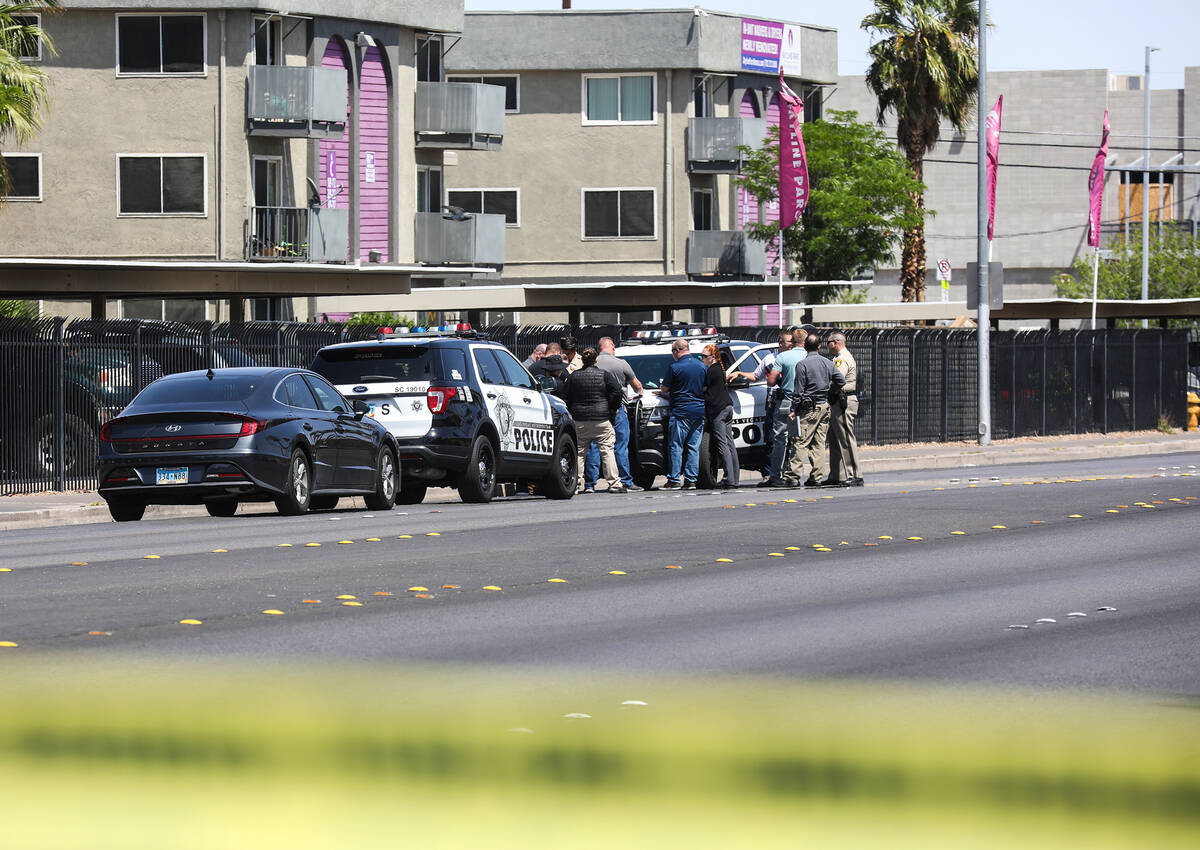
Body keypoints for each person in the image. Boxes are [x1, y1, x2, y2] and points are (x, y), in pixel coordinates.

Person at [583, 336, 645, 492]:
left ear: (599, 348)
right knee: (620, 447)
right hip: (618, 411)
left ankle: (590, 484)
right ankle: (625, 480)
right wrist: (639, 392)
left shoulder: (592, 364)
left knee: (594, 447)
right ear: (612, 347)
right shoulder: (621, 364)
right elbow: (637, 385)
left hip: (597, 411)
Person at [562, 347, 624, 494]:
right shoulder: (604, 375)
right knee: (607, 451)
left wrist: (572, 409)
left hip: (579, 419)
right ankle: (614, 483)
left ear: (582, 360)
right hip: (601, 418)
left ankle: (575, 484)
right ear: (596, 360)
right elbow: (617, 392)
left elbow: (565, 396)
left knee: (579, 453)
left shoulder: (574, 376)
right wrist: (611, 409)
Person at [733, 329, 792, 477]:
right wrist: (740, 373)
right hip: (772, 402)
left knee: (790, 439)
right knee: (771, 439)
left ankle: (787, 471)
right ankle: (769, 473)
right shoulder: (769, 359)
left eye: (792, 342)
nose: (791, 344)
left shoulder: (793, 359)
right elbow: (755, 376)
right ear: (781, 343)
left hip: (789, 401)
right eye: (789, 341)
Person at [788, 333, 844, 487]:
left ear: (805, 346)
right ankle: (816, 477)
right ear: (819, 347)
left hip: (808, 408)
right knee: (819, 443)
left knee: (800, 442)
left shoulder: (802, 365)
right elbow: (841, 380)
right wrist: (831, 390)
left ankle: (793, 476)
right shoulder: (827, 363)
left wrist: (793, 409)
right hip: (824, 406)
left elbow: (798, 390)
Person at [657, 339, 707, 490]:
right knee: (693, 447)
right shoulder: (701, 365)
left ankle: (674, 479)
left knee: (676, 446)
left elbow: (664, 389)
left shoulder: (675, 367)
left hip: (681, 411)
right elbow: (705, 387)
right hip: (699, 411)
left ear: (676, 351)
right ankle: (691, 480)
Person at [760, 329, 807, 488]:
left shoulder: (783, 357)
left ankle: (776, 476)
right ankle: (794, 474)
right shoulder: (809, 356)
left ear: (792, 341)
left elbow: (771, 381)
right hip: (804, 402)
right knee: (798, 440)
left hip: (786, 401)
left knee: (780, 439)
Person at [823, 332, 863, 487]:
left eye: (828, 342)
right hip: (838, 401)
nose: (827, 346)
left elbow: (837, 378)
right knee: (834, 439)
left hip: (843, 401)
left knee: (846, 438)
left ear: (835, 343)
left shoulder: (841, 358)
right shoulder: (838, 358)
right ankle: (837, 475)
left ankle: (855, 474)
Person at [701, 343, 739, 489]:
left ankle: (729, 478)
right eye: (701, 356)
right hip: (727, 406)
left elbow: (704, 388)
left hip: (718, 410)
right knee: (729, 443)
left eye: (704, 356)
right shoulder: (719, 369)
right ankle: (734, 478)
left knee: (722, 444)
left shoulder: (711, 371)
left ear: (713, 357)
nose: (702, 359)